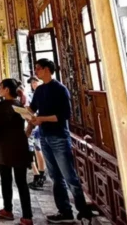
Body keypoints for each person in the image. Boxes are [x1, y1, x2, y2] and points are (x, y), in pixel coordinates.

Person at [26, 59, 92, 223]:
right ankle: (64, 211)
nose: (36, 71)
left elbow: (64, 115)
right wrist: (23, 111)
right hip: (44, 136)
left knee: (69, 176)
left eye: (38, 68)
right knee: (55, 176)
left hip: (59, 136)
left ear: (47, 69)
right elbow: (32, 109)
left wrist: (42, 119)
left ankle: (83, 211)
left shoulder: (60, 89)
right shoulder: (40, 89)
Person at [0, 78, 33, 225]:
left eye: (1, 87)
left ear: (7, 90)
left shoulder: (2, 105)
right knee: (22, 182)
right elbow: (29, 122)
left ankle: (8, 210)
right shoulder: (19, 104)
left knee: (6, 180)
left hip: (4, 147)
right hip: (20, 146)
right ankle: (27, 216)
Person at [26, 76, 46, 190]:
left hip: (39, 126)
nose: (33, 84)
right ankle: (38, 174)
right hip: (33, 125)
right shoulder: (31, 95)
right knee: (33, 150)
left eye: (35, 82)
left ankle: (40, 175)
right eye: (32, 82)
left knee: (37, 150)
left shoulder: (43, 93)